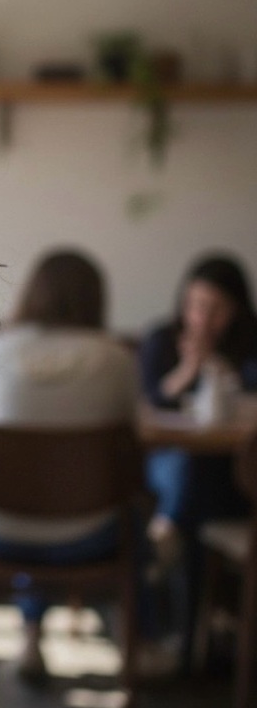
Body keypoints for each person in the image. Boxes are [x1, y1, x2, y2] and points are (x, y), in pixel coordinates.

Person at [0, 250, 149, 679]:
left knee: (32, 495)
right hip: (91, 536)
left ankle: (30, 639)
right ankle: (141, 640)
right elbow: (137, 436)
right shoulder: (117, 358)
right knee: (142, 509)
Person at [139, 253, 257, 666]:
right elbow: (149, 399)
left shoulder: (248, 344)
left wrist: (220, 368)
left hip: (236, 480)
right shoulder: (162, 339)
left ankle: (166, 530)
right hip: (172, 468)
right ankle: (188, 643)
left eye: (216, 308)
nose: (203, 319)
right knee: (185, 467)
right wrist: (188, 371)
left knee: (191, 484)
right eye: (196, 305)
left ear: (238, 310)